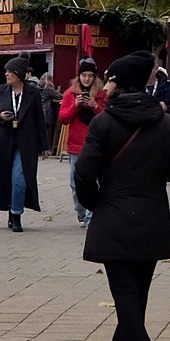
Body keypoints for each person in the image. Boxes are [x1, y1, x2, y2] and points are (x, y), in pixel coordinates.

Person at [76, 50, 170, 341]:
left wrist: (97, 204)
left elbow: (83, 174)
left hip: (113, 221)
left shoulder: (103, 123)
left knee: (127, 300)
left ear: (119, 83)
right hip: (150, 220)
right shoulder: (167, 124)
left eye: (110, 79)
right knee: (135, 298)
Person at [0, 55, 46, 230]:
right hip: (5, 140)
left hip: (26, 142)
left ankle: (17, 214)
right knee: (5, 178)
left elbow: (39, 119)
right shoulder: (1, 91)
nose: (6, 74)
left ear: (18, 74)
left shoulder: (32, 93)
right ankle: (10, 210)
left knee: (20, 178)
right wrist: (1, 117)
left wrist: (44, 146)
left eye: (10, 71)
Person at [60, 58, 104, 224]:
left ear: (95, 77)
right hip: (76, 145)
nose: (86, 79)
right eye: (84, 75)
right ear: (79, 77)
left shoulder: (102, 95)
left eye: (90, 75)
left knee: (96, 181)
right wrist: (75, 106)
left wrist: (95, 106)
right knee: (74, 182)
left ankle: (92, 214)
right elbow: (63, 119)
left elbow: (108, 118)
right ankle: (80, 210)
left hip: (97, 144)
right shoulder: (70, 94)